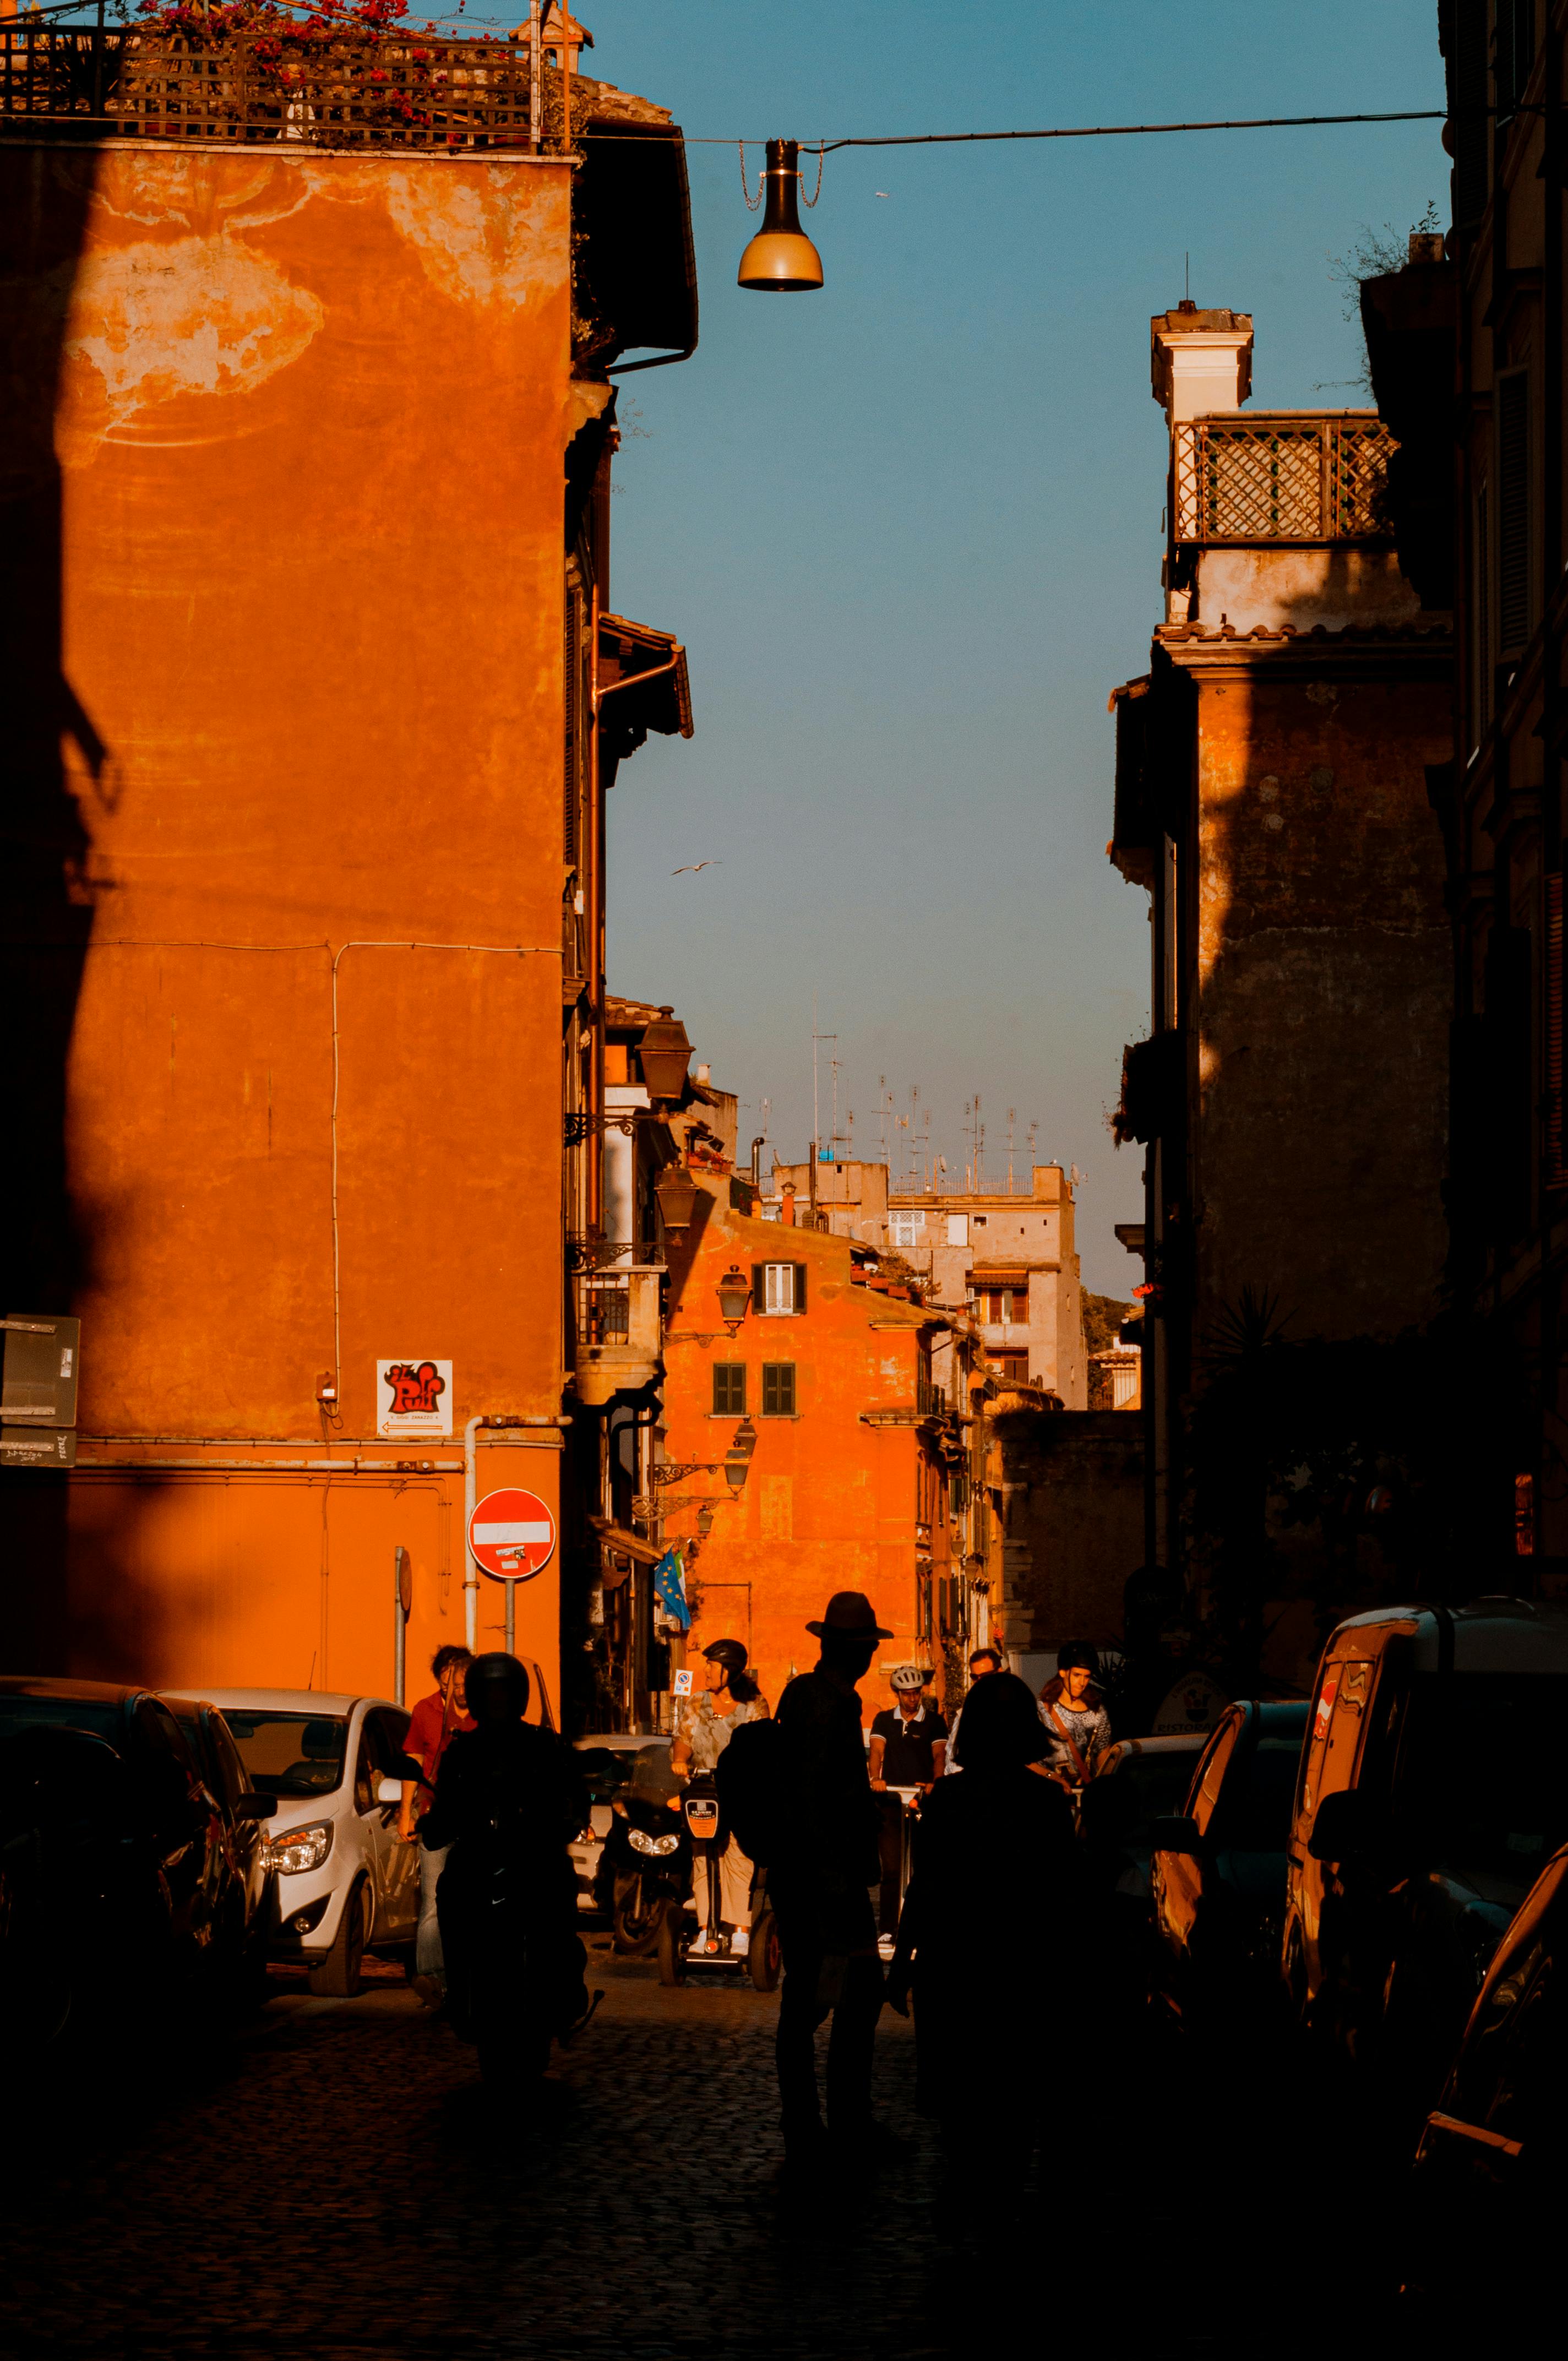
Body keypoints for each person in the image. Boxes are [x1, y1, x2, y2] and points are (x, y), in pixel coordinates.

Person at [886, 1672, 1084, 2151]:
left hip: (956, 1968)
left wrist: (902, 1964)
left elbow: (925, 1885)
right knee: (1015, 2106)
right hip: (1024, 1968)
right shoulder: (1047, 1804)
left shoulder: (949, 1801)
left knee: (961, 2111)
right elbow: (1066, 1894)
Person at [771, 1590, 890, 2164]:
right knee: (821, 1999)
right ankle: (823, 2124)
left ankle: (831, 2121)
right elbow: (810, 1798)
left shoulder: (824, 1698)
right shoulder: (824, 1704)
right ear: (858, 1649)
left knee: (843, 1995)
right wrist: (832, 1875)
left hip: (820, 1876)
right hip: (822, 1881)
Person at [420, 1652, 590, 2054]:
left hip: (534, 1858)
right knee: (449, 1894)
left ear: (518, 1697)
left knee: (561, 1900)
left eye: (503, 1693)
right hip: (480, 1860)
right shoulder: (461, 1752)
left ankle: (562, 1993)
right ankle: (459, 1990)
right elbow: (446, 1804)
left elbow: (574, 1795)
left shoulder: (545, 1745)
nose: (496, 1701)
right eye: (489, 1693)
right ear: (477, 1698)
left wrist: (570, 1818)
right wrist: (433, 1822)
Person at [670, 1638, 770, 1957]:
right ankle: (705, 1928)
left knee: (738, 1859)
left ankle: (740, 1931)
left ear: (730, 1670)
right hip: (704, 1790)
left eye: (712, 1665)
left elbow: (762, 1745)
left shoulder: (755, 1704)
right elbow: (683, 1738)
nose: (706, 1671)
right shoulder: (698, 1702)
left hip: (742, 1793)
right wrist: (680, 1759)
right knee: (703, 1859)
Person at [397, 1644, 474, 2004]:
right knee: (432, 1898)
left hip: (475, 1818)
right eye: (446, 1681)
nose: (453, 1689)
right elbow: (413, 1759)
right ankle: (432, 1979)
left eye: (458, 1681)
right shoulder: (424, 1711)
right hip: (434, 1814)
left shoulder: (484, 1711)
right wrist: (405, 1813)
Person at [869, 1664, 948, 1947]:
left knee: (922, 1868)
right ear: (897, 1694)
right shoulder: (884, 1720)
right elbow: (877, 1751)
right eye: (907, 1694)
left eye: (916, 1694)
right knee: (891, 1869)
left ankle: (922, 1927)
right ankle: (888, 1929)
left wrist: (936, 1782)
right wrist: (876, 1779)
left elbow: (939, 1755)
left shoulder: (934, 1722)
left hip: (921, 1801)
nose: (912, 1699)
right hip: (890, 1802)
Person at [1037, 1642, 1112, 1791]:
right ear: (1063, 1672)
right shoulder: (1042, 1710)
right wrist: (1050, 1777)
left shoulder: (1097, 1712)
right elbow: (1027, 1759)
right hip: (1048, 1793)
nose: (1082, 1683)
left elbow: (1104, 1757)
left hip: (1085, 1794)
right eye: (1077, 1675)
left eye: (1087, 1677)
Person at [942, 1646, 1004, 1775]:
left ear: (1000, 1672)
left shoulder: (1015, 1710)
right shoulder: (963, 1715)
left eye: (985, 1675)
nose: (980, 1681)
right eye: (975, 1677)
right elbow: (952, 1761)